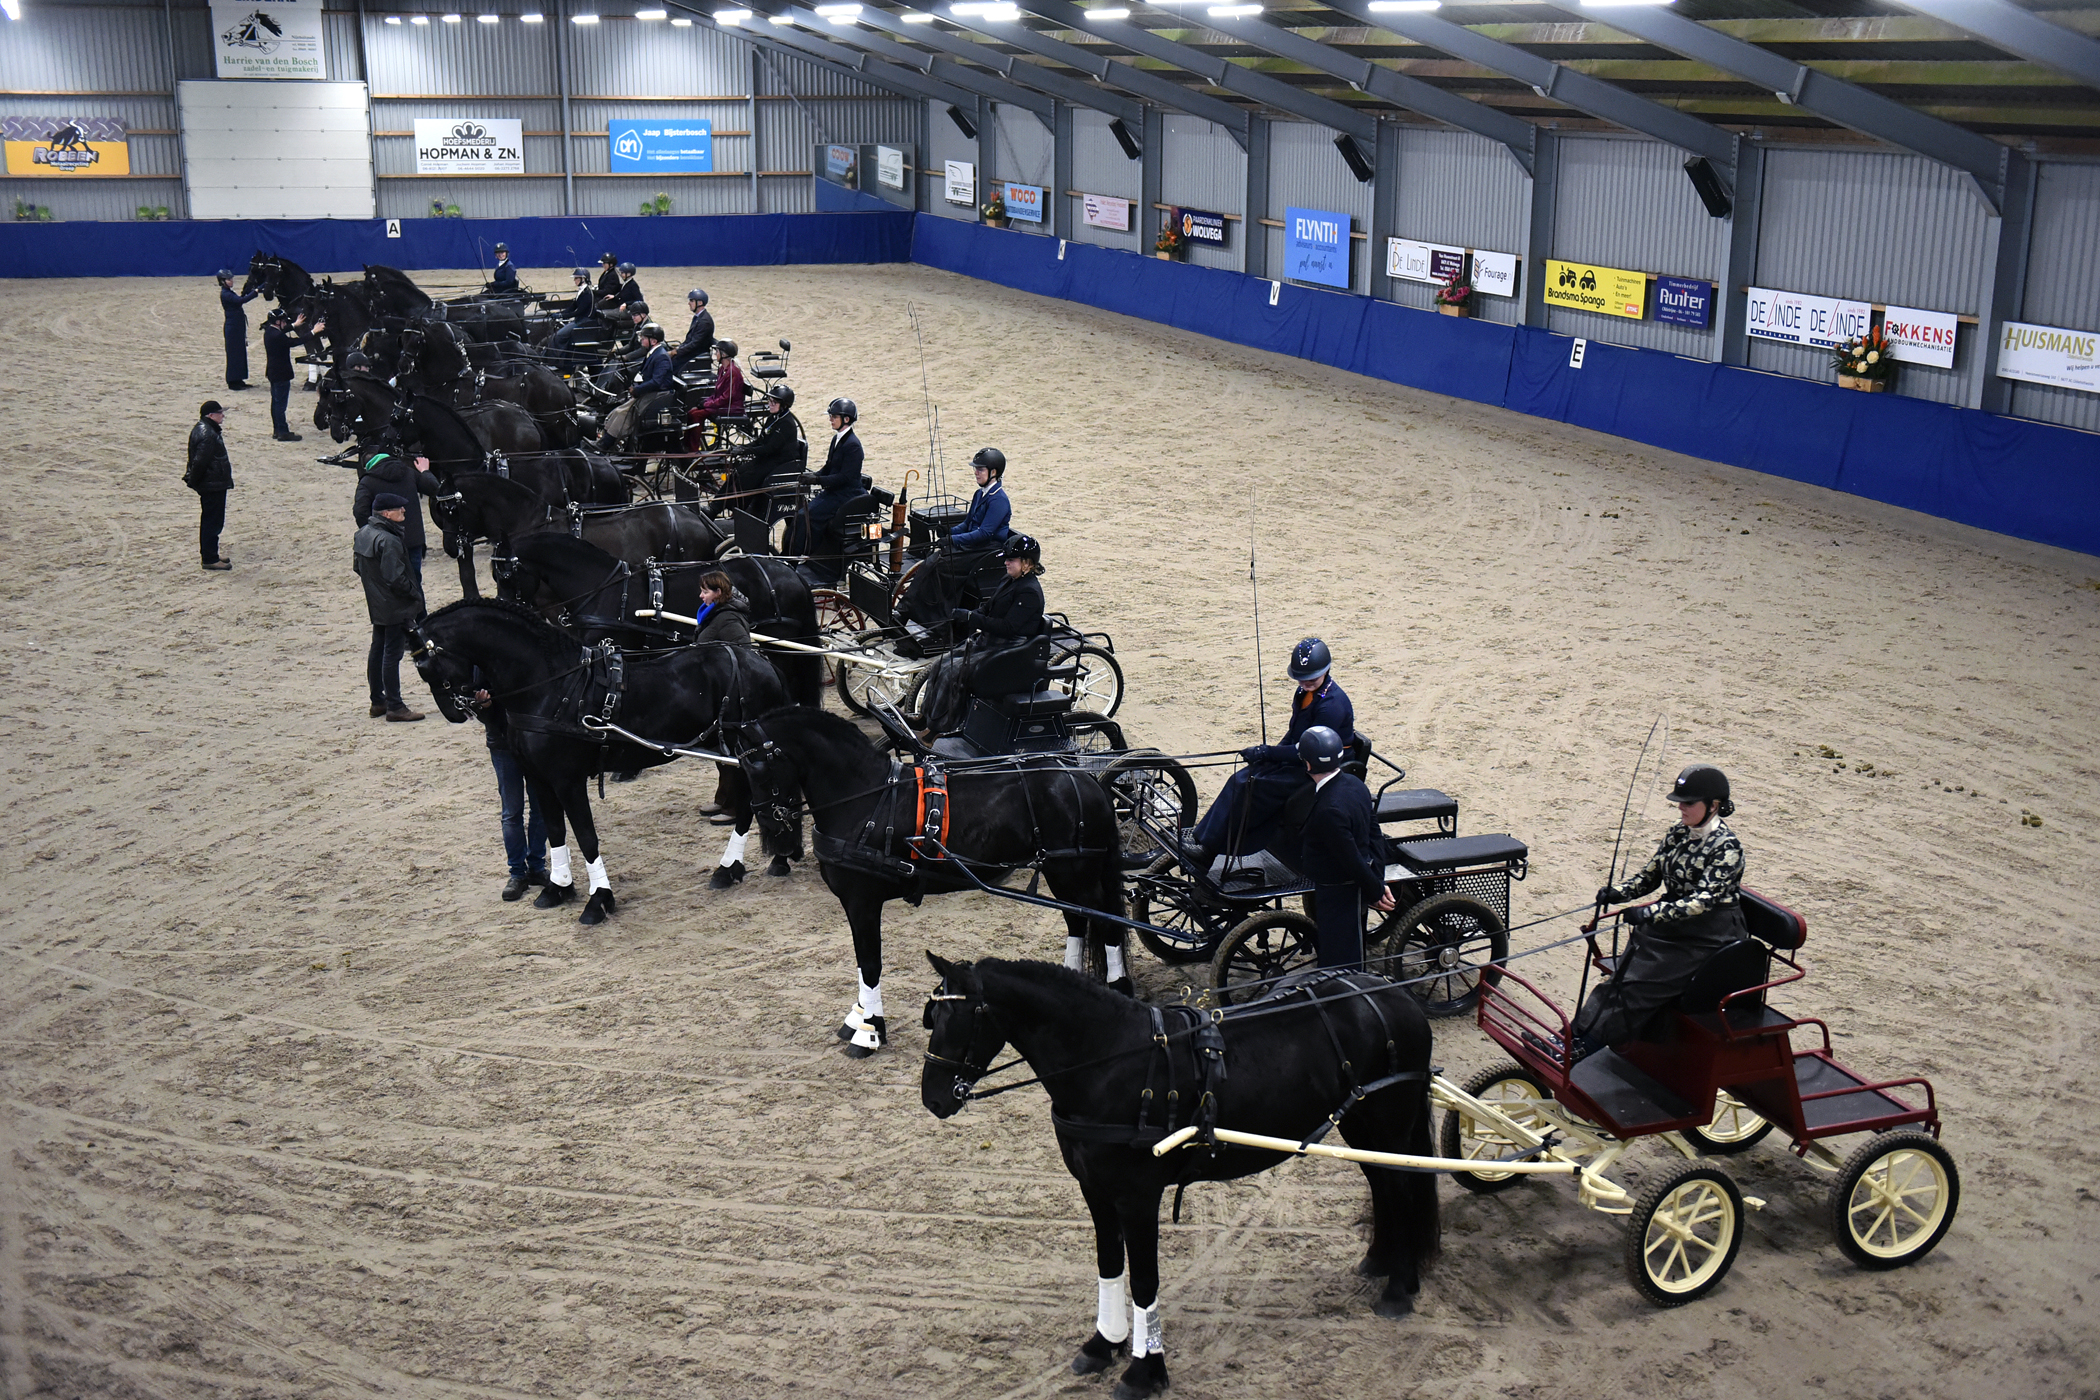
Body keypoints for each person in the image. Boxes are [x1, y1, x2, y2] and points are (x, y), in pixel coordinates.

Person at [1570, 765, 1749, 1057]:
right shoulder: (1678, 833)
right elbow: (1650, 876)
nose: (1681, 807)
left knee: (1636, 987)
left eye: (1689, 802)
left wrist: (1650, 914)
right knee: (1615, 982)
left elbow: (1701, 902)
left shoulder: (1728, 848)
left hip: (1707, 937)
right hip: (1671, 927)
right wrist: (1619, 893)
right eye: (1680, 801)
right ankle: (1572, 1038)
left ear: (1714, 805)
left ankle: (1585, 1049)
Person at [1186, 637, 1355, 863]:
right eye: (1300, 679)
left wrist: (1268, 753)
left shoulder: (1331, 706)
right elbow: (1295, 734)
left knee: (1255, 787)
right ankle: (1203, 838)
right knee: (1240, 779)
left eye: (1311, 679)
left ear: (1326, 671)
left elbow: (1305, 751)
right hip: (1303, 759)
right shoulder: (1304, 693)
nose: (1305, 684)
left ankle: (1210, 850)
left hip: (1319, 767)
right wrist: (1268, 756)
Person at [1288, 726, 1396, 970]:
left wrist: (1375, 891)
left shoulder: (1329, 809)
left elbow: (1350, 859)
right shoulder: (1355, 785)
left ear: (1307, 765)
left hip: (1337, 889)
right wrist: (1377, 879)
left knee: (1341, 956)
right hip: (1353, 883)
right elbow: (1374, 834)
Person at [896, 447, 1011, 652]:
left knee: (941, 565)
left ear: (994, 472)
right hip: (974, 545)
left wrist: (953, 540)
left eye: (980, 469)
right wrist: (947, 531)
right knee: (932, 560)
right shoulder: (980, 494)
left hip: (986, 551)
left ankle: (939, 622)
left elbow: (985, 533)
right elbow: (968, 524)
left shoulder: (999, 500)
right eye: (976, 469)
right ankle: (909, 610)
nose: (976, 472)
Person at [353, 493, 427, 722]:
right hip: (394, 605)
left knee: (377, 650)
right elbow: (396, 578)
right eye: (400, 510)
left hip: (377, 603)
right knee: (391, 654)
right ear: (386, 514)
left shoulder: (362, 534)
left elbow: (358, 567)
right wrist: (415, 595)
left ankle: (378, 701)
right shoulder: (390, 540)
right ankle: (395, 705)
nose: (404, 512)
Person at [472, 678, 548, 900]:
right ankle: (517, 872)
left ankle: (536, 866)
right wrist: (484, 706)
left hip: (533, 740)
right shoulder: (483, 661)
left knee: (540, 807)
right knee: (512, 812)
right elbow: (478, 711)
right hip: (503, 744)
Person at [352, 446, 441, 577]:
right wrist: (425, 471)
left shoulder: (367, 482)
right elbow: (434, 489)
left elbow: (360, 512)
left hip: (384, 542)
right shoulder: (409, 473)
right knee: (415, 582)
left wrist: (372, 533)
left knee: (391, 583)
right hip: (413, 540)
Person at [795, 396, 864, 554]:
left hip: (845, 494)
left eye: (834, 417)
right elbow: (829, 466)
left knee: (807, 517)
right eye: (830, 416)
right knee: (800, 514)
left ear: (846, 419)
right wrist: (813, 476)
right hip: (834, 491)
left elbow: (845, 478)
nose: (830, 420)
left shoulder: (853, 445)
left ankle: (810, 553)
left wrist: (818, 480)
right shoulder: (837, 439)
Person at [724, 384, 803, 515]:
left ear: (784, 405)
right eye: (770, 401)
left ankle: (739, 510)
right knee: (737, 472)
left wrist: (745, 451)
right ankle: (715, 507)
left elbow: (769, 448)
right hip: (769, 459)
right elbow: (760, 441)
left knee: (747, 478)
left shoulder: (786, 424)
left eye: (774, 402)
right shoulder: (772, 418)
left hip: (779, 463)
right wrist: (742, 447)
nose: (770, 404)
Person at [184, 400, 235, 571]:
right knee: (212, 521)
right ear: (211, 415)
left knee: (212, 520)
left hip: (212, 483)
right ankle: (210, 558)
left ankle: (211, 553)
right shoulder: (208, 434)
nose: (223, 416)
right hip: (212, 484)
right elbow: (200, 462)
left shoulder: (204, 429)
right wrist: (195, 481)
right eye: (220, 413)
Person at [261, 307, 322, 441]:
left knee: (275, 403)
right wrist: (313, 332)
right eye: (283, 321)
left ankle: (277, 429)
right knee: (280, 405)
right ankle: (283, 432)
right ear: (277, 321)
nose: (284, 323)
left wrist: (295, 325)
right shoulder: (278, 336)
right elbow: (295, 341)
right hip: (281, 373)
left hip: (273, 371)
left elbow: (282, 330)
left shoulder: (270, 331)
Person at [216, 270, 260, 390]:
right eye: (229, 279)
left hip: (237, 326)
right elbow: (240, 301)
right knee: (234, 354)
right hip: (233, 326)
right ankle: (233, 381)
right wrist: (255, 292)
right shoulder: (225, 294)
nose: (231, 281)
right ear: (222, 281)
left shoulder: (229, 292)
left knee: (240, 353)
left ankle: (239, 379)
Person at [672, 288, 715, 366]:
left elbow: (695, 344)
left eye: (691, 301)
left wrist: (677, 351)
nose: (689, 303)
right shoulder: (699, 317)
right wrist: (678, 348)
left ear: (700, 303)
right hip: (692, 353)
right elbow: (689, 340)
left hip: (696, 356)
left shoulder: (705, 321)